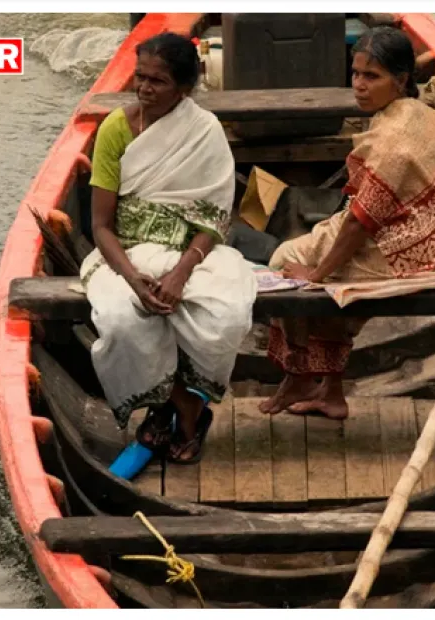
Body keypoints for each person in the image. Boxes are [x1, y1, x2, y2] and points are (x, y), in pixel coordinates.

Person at [259, 26, 435, 420]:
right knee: (321, 252)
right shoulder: (422, 113)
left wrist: (317, 275)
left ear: (401, 80)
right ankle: (330, 392)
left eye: (371, 76)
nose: (359, 85)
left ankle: (301, 374)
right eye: (356, 73)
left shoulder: (392, 139)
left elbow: (360, 223)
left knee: (284, 262)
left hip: (406, 252)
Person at [80, 32, 257, 463]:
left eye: (156, 81)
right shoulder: (116, 131)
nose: (143, 88)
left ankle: (171, 409)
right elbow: (101, 226)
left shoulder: (204, 131)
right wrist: (132, 277)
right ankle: (183, 409)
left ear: (183, 88)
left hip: (194, 254)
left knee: (225, 315)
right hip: (125, 254)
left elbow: (214, 221)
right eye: (139, 78)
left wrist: (180, 273)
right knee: (123, 319)